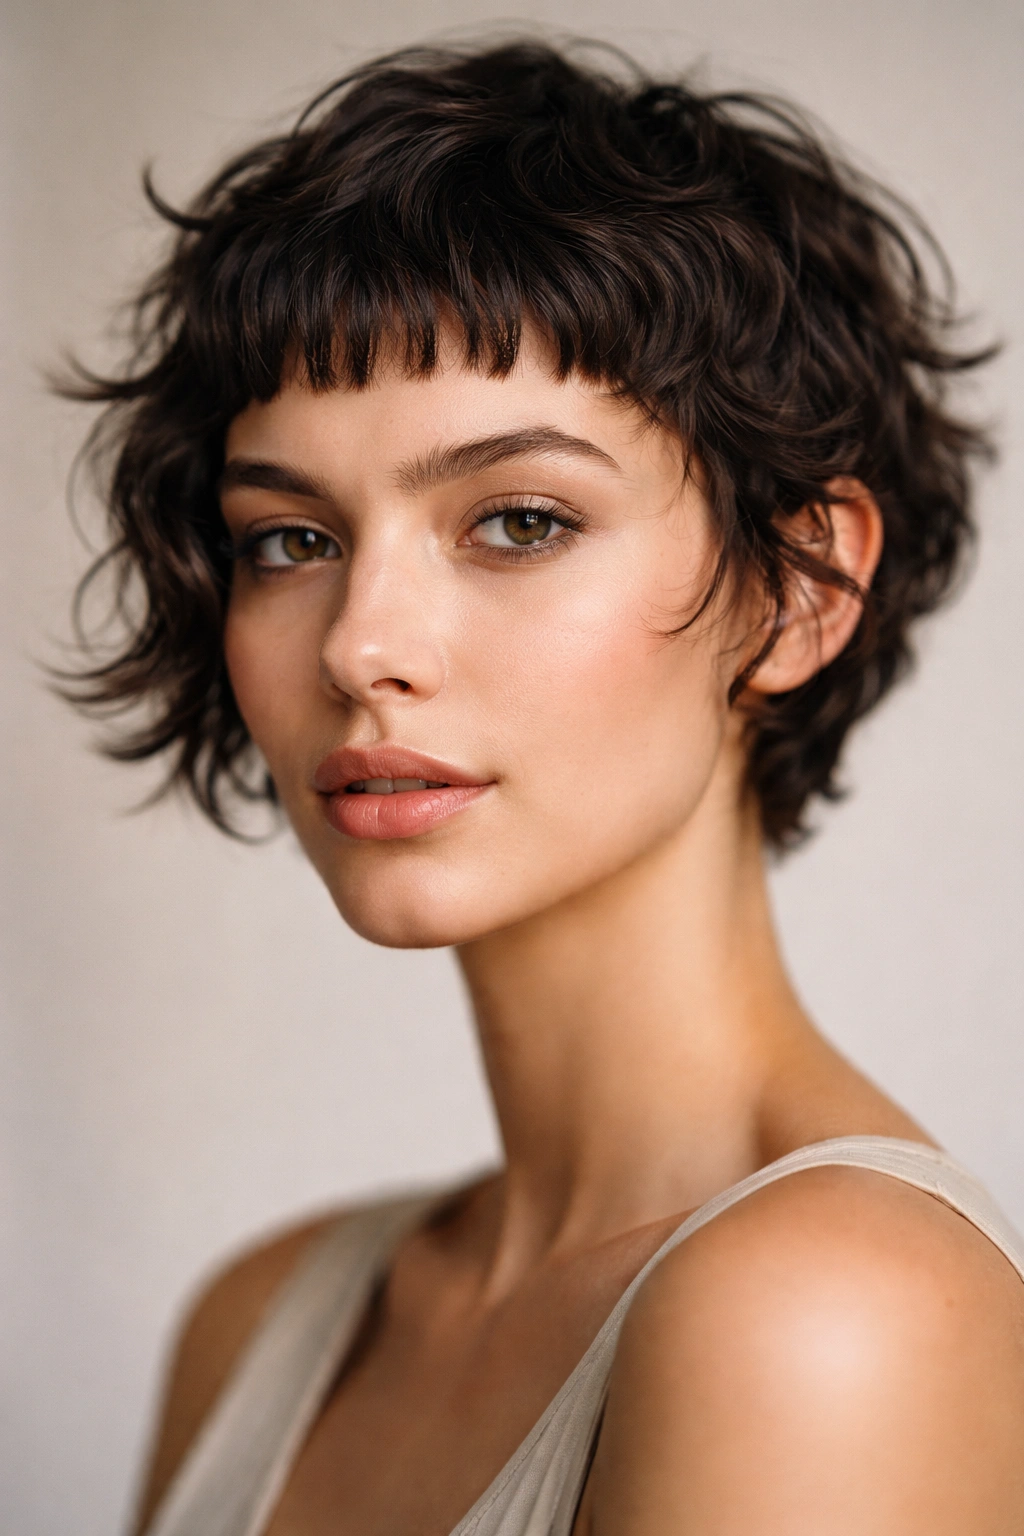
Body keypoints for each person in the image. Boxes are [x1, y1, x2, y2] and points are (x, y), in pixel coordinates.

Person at [63, 39, 1024, 1536]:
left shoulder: (834, 1314)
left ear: (798, 590)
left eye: (517, 519)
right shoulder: (261, 1325)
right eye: (290, 540)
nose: (362, 644)